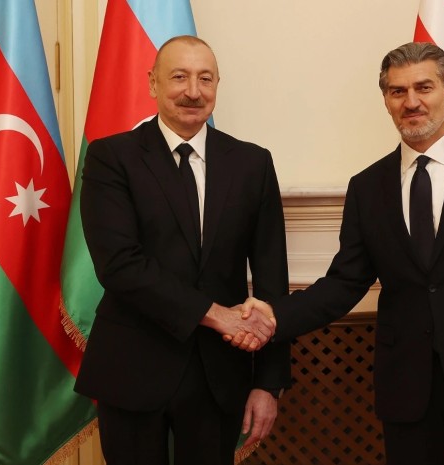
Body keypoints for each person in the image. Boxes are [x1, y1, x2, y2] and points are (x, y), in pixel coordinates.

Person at [235, 42, 444, 465]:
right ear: (386, 100)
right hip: (407, 389)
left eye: (424, 87)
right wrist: (276, 315)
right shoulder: (368, 187)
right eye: (397, 91)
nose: (411, 102)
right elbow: (345, 282)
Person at [74, 35, 288, 465]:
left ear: (217, 85)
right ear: (152, 83)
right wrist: (215, 313)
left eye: (205, 79)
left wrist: (268, 383)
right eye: (179, 77)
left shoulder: (253, 163)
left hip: (220, 376)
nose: (193, 91)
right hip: (133, 367)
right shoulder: (111, 157)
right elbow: (119, 265)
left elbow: (272, 279)